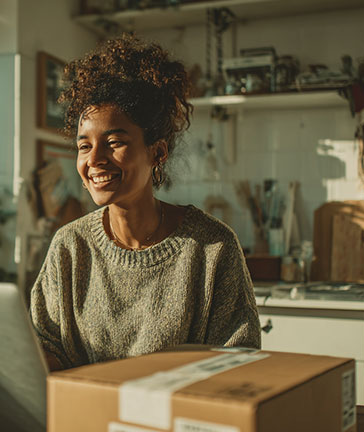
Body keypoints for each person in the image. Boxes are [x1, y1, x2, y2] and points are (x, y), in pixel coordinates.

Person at [30, 34, 260, 371]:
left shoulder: (212, 248)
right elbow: (44, 348)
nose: (94, 159)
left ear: (158, 152)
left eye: (114, 142)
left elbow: (239, 361)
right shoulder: (69, 247)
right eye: (84, 146)